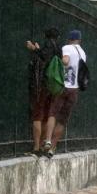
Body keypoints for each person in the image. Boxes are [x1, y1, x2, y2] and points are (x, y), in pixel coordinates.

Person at [43, 30, 87, 158]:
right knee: (62, 120)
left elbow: (66, 61)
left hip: (63, 87)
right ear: (79, 40)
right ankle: (52, 149)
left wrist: (59, 60)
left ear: (69, 39)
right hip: (74, 90)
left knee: (52, 113)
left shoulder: (67, 48)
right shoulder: (83, 53)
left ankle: (47, 140)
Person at [26, 28, 62, 157]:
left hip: (43, 85)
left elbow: (44, 57)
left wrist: (34, 49)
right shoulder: (59, 48)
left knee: (37, 115)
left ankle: (36, 147)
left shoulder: (48, 45)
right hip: (54, 86)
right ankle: (43, 144)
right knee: (47, 115)